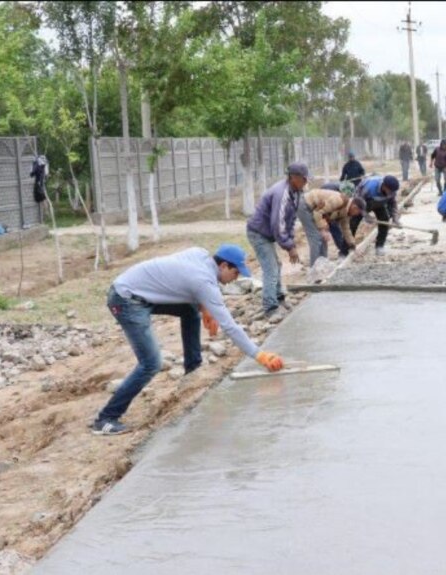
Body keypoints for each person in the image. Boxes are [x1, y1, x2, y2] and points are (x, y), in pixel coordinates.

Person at [92, 245, 285, 435]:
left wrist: (204, 307)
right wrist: (260, 355)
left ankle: (193, 371)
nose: (236, 279)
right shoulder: (204, 281)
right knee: (151, 363)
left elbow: (182, 280)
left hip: (139, 292)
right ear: (224, 266)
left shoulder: (200, 254)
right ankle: (106, 418)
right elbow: (229, 326)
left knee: (190, 312)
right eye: (235, 273)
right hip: (126, 300)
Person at [246, 163, 306, 319]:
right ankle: (270, 308)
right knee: (271, 268)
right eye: (303, 179)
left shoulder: (296, 192)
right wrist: (289, 247)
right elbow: (277, 224)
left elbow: (291, 220)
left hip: (268, 233)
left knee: (276, 265)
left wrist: (291, 241)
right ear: (293, 178)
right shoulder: (282, 193)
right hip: (258, 233)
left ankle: (279, 299)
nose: (306, 182)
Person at [298, 183, 364, 266]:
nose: (357, 215)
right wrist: (322, 229)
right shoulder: (339, 200)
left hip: (315, 211)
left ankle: (323, 265)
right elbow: (317, 213)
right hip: (306, 205)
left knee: (323, 239)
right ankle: (314, 269)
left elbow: (346, 229)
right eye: (358, 213)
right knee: (316, 238)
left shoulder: (346, 212)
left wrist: (353, 246)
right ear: (355, 207)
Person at [351, 175, 401, 256]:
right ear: (384, 186)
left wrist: (395, 219)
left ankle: (379, 246)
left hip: (379, 203)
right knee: (353, 223)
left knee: (385, 220)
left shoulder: (392, 191)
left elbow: (393, 204)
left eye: (393, 191)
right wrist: (366, 216)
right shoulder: (369, 188)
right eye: (390, 191)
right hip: (363, 200)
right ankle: (346, 249)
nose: (392, 193)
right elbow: (357, 203)